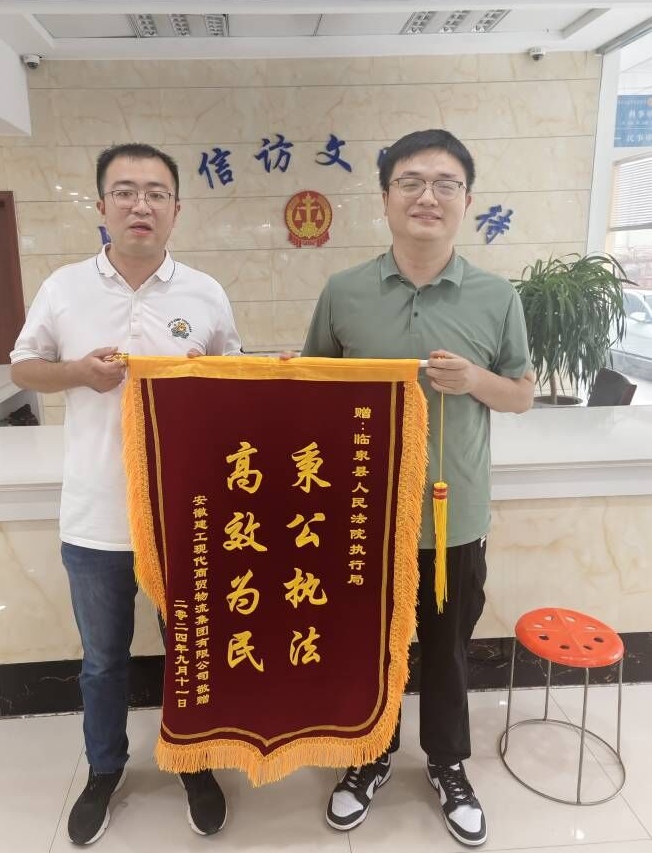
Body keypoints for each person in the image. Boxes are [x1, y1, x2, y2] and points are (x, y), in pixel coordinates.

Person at [302, 129, 534, 847]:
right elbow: (311, 390)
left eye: (444, 183)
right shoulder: (343, 291)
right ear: (385, 198)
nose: (426, 196)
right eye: (410, 181)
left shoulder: (496, 296)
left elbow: (521, 394)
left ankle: (447, 763)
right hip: (363, 516)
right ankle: (368, 755)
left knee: (446, 650)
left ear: (466, 199)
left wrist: (475, 380)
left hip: (453, 515)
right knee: (368, 646)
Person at [10, 143, 241, 845]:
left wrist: (211, 379)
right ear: (102, 205)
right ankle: (104, 769)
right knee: (103, 660)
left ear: (177, 208)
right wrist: (78, 372)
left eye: (156, 193)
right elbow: (23, 368)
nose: (141, 205)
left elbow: (239, 384)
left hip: (185, 515)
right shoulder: (64, 288)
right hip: (95, 514)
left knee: (193, 651)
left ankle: (194, 760)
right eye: (126, 191)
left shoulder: (204, 292)